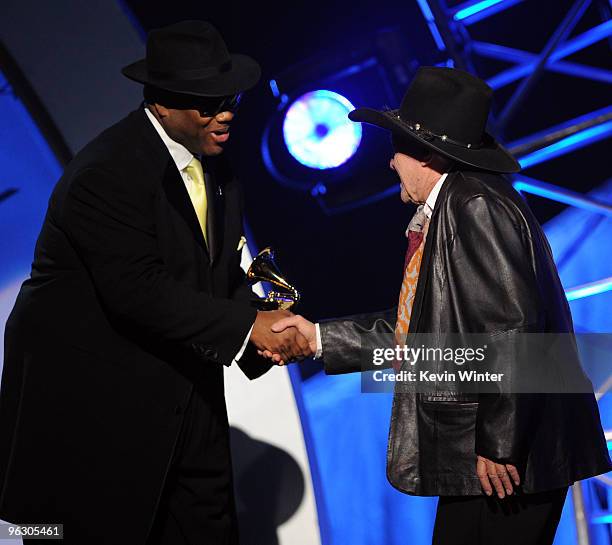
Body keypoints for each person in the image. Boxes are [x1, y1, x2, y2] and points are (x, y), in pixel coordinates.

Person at [266, 67, 611, 545]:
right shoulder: (456, 205)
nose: (390, 164)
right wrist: (319, 338)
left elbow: (514, 327)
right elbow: (423, 332)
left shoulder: (475, 206)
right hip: (484, 452)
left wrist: (500, 444)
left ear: (428, 155)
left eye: (398, 149)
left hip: (508, 459)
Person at [0, 20, 311, 545]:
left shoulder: (221, 171)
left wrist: (270, 331)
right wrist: (247, 326)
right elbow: (138, 291)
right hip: (95, 416)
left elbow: (214, 276)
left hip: (187, 398)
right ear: (162, 104)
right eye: (206, 104)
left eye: (228, 97)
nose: (224, 112)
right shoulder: (105, 172)